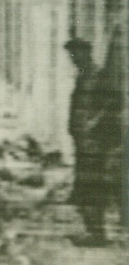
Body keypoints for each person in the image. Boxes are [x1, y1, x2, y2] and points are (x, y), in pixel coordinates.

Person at [65, 36, 123, 246]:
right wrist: (75, 130)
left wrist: (93, 123)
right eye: (71, 55)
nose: (73, 59)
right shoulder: (83, 76)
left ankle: (97, 233)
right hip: (83, 141)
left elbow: (113, 104)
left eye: (75, 55)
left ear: (86, 53)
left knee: (92, 188)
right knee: (84, 188)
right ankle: (92, 231)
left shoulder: (99, 76)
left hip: (95, 143)